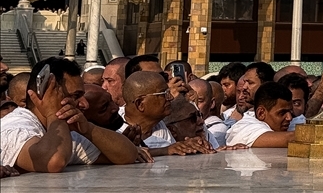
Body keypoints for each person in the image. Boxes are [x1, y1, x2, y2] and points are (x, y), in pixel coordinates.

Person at [1, 57, 140, 173]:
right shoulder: (15, 127)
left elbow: (128, 155)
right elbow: (53, 162)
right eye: (75, 96)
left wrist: (88, 130)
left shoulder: (65, 131)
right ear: (44, 95)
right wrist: (53, 113)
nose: (84, 104)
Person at [122, 71, 211, 156]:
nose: (171, 97)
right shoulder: (116, 129)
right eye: (163, 94)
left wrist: (189, 145)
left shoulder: (160, 125)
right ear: (140, 104)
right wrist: (165, 150)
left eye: (169, 92)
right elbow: (123, 155)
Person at [225, 82, 295, 148]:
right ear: (261, 113)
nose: (289, 118)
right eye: (282, 113)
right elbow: (289, 139)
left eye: (290, 112)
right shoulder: (245, 128)